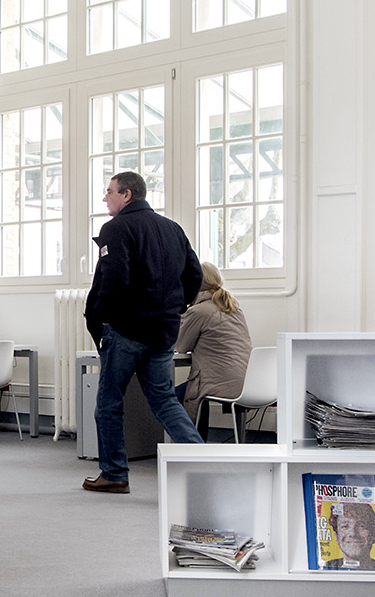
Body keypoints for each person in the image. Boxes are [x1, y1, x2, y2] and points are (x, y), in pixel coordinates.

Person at [82, 171, 204, 493]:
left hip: (126, 331)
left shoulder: (115, 228)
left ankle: (114, 474)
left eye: (109, 191)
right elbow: (195, 275)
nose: (105, 197)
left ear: (127, 195)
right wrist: (176, 307)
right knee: (164, 400)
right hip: (163, 332)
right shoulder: (173, 228)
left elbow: (115, 278)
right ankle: (205, 462)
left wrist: (105, 317)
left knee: (109, 403)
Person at [175, 261, 252, 434]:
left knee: (170, 398)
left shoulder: (199, 311)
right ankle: (198, 443)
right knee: (195, 391)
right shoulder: (233, 308)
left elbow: (181, 346)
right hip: (247, 383)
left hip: (220, 383)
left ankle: (191, 444)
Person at [322, 502, 375, 570]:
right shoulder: (325, 566)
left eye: (362, 526)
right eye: (345, 526)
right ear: (336, 536)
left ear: (373, 534)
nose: (353, 533)